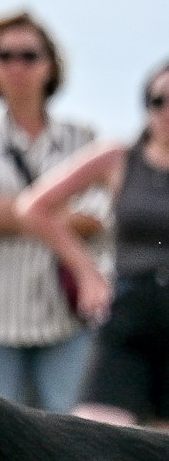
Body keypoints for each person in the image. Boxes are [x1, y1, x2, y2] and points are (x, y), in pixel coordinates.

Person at [17, 57, 169, 427]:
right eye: (159, 101)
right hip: (129, 322)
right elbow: (34, 208)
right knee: (96, 434)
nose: (167, 112)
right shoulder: (118, 159)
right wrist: (86, 271)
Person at [0, 11, 103, 411]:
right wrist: (49, 209)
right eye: (4, 55)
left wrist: (9, 210)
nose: (16, 66)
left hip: (66, 317)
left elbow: (96, 218)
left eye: (29, 55)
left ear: (50, 65)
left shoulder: (83, 138)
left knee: (76, 434)